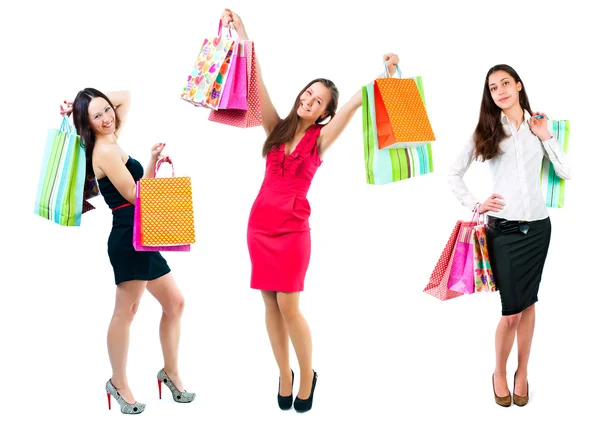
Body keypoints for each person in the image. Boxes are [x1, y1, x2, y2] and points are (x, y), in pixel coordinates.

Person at [220, 8, 399, 413]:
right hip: (259, 227)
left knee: (289, 305)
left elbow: (354, 103)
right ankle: (282, 373)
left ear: (323, 113)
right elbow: (256, 82)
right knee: (268, 302)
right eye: (308, 93)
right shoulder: (275, 127)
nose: (309, 100)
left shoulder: (319, 139)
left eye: (318, 101)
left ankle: (306, 373)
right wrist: (242, 31)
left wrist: (386, 74)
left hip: (292, 231)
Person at [60, 89, 195, 414]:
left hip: (143, 236)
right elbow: (136, 196)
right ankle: (118, 382)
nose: (108, 117)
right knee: (126, 313)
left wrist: (149, 159)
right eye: (97, 116)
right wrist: (81, 104)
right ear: (87, 124)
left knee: (175, 303)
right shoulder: (104, 150)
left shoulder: (111, 137)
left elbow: (126, 97)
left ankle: (170, 372)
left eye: (107, 110)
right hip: (128, 238)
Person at [448, 64, 572, 407]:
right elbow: (453, 174)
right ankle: (499, 371)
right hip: (502, 232)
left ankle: (523, 371)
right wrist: (477, 203)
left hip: (539, 229)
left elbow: (566, 172)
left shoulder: (538, 127)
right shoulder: (487, 130)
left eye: (505, 83)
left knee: (529, 302)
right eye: (493, 87)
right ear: (490, 95)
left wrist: (546, 135)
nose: (500, 90)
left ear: (518, 86)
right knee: (511, 313)